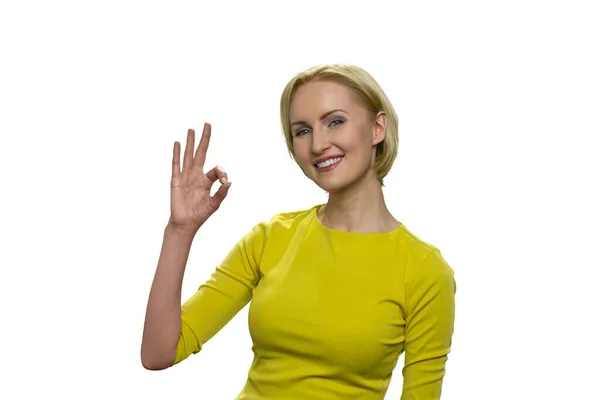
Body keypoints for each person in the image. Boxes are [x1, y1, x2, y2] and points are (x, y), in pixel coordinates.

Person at [141, 64, 457, 399]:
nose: (318, 144)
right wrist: (179, 231)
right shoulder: (270, 238)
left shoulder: (425, 271)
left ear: (377, 128)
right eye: (302, 131)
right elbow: (159, 353)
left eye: (335, 121)